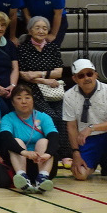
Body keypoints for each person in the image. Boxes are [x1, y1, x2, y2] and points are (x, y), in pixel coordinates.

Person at [64, 58, 107, 186]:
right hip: (88, 140)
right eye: (81, 76)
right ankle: (100, 162)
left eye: (89, 74)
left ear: (96, 75)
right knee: (80, 174)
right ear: (75, 79)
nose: (86, 78)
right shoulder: (69, 95)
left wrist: (91, 128)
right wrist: (75, 153)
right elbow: (71, 127)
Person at [17, 16, 67, 161]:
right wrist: (45, 80)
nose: (41, 31)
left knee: (63, 116)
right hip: (33, 90)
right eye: (37, 28)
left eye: (45, 28)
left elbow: (59, 72)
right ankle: (52, 152)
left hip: (54, 90)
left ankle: (65, 154)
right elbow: (24, 75)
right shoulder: (23, 48)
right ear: (30, 30)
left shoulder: (53, 47)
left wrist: (40, 74)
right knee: (51, 116)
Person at [0, 84, 58, 193]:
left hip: (41, 162)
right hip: (19, 162)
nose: (24, 101)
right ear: (13, 103)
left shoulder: (43, 117)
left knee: (44, 141)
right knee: (16, 141)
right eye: (19, 98)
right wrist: (24, 152)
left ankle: (43, 178)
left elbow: (54, 137)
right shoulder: (8, 118)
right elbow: (5, 137)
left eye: (27, 97)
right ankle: (22, 178)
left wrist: (48, 154)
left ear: (33, 100)